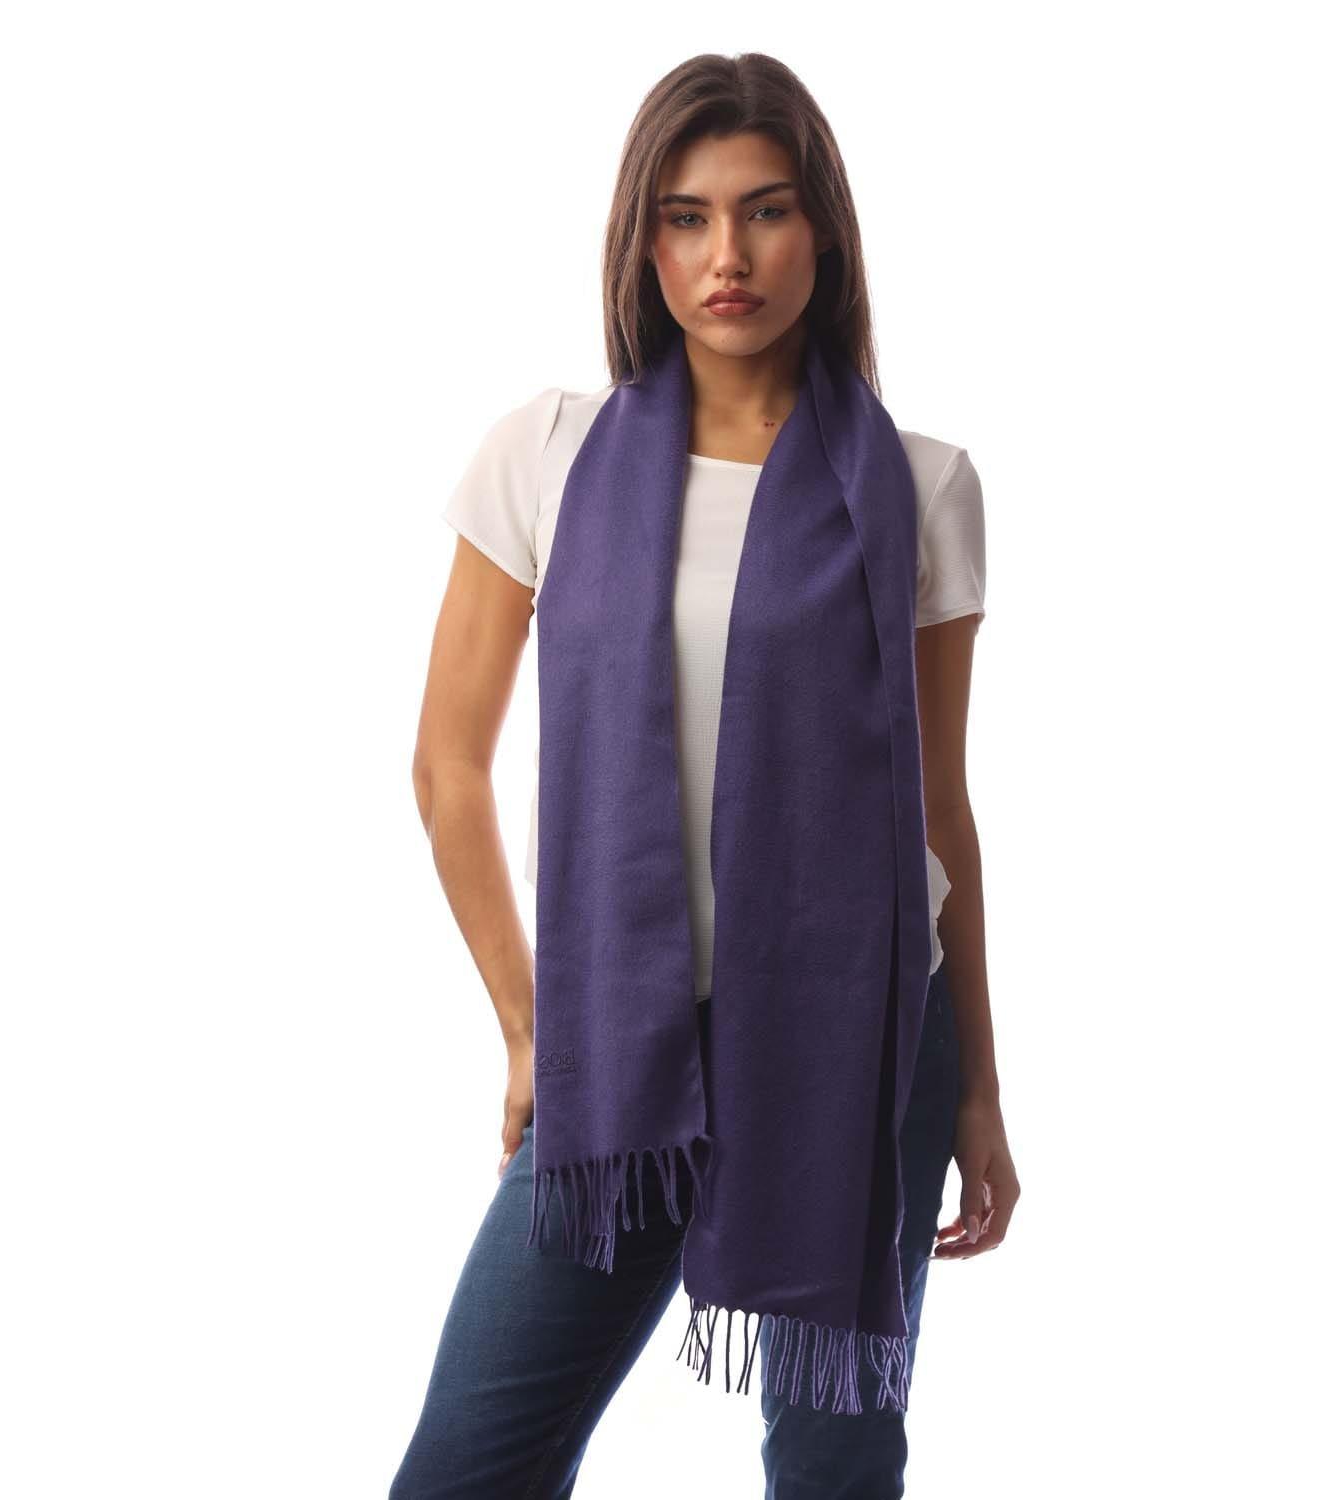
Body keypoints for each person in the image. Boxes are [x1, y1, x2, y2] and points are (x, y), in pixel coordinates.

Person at [393, 52, 1018, 1500]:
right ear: (644, 240)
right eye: (686, 217)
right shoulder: (548, 455)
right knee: (468, 1466)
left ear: (825, 234)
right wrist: (528, 1027)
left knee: (835, 1469)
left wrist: (980, 1089)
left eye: (766, 211)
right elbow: (445, 766)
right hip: (621, 1049)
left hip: (862, 1047)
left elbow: (940, 813)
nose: (726, 255)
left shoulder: (923, 487)